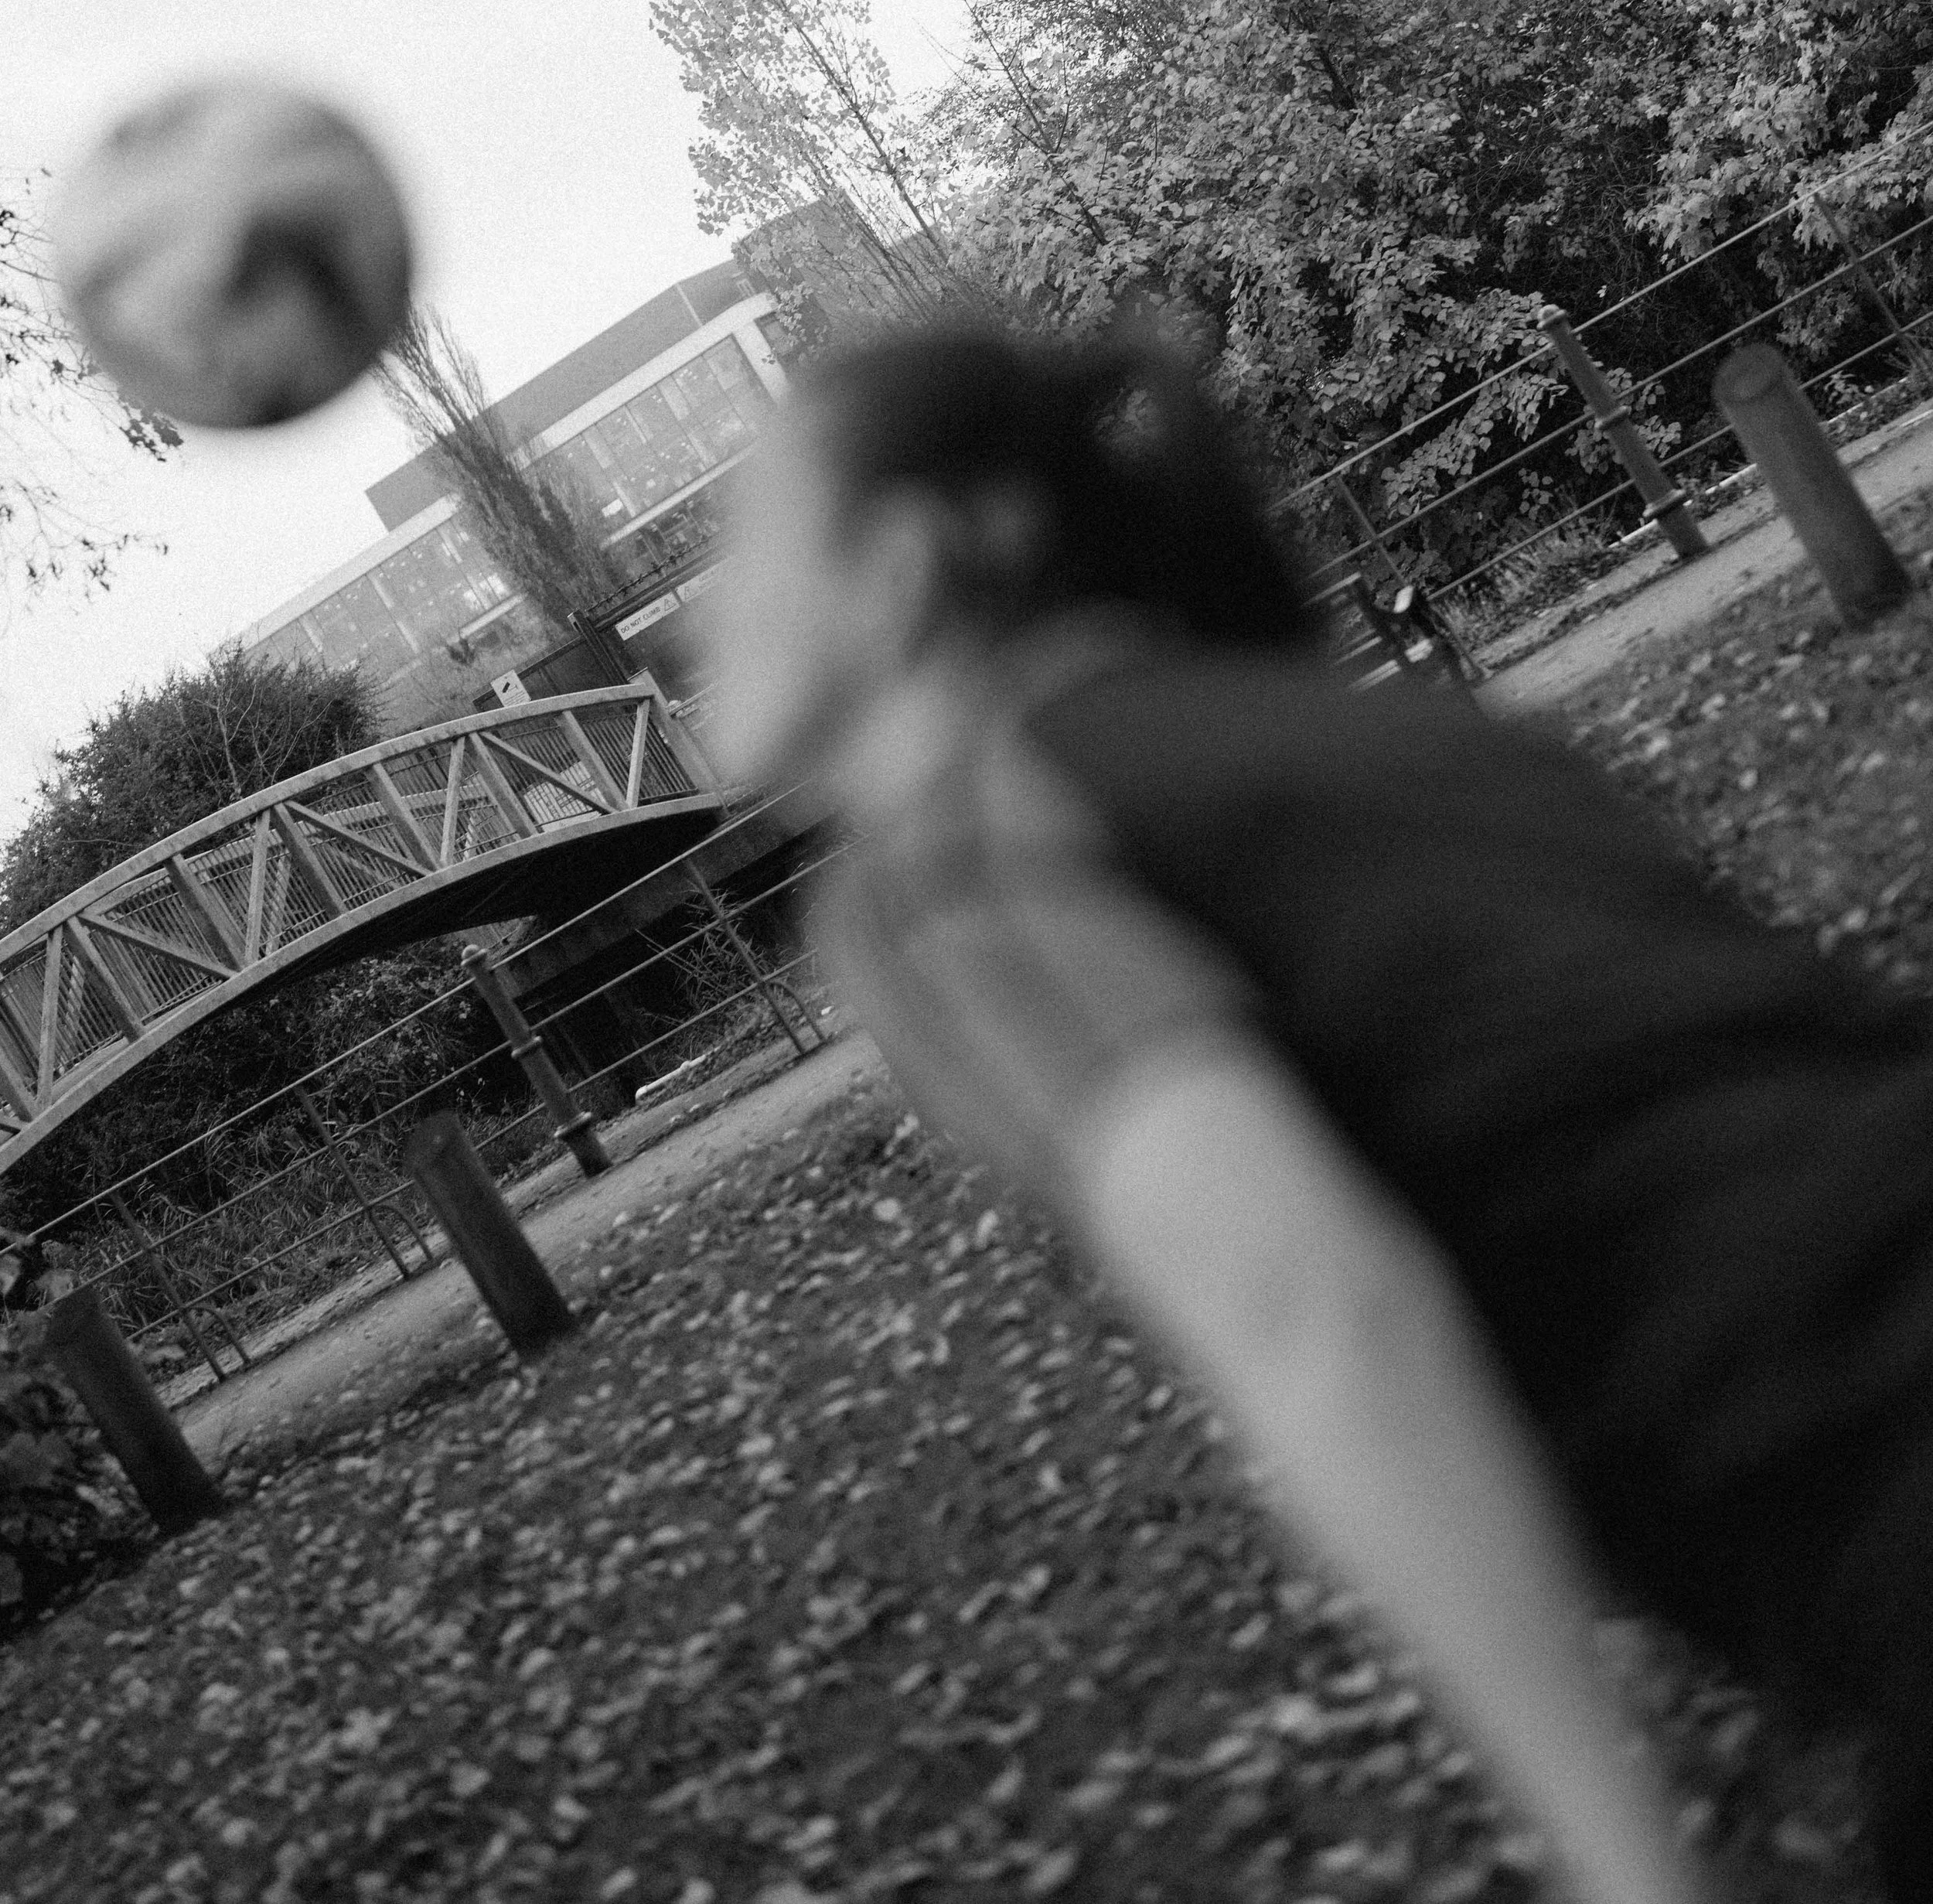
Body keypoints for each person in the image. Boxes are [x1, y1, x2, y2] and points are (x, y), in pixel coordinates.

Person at [704, 326, 1933, 1904]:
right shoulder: (1342, 737)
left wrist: (1627, 1867)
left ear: (898, 567)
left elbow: (1315, 1309)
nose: (704, 610)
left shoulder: (944, 854)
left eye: (747, 540)